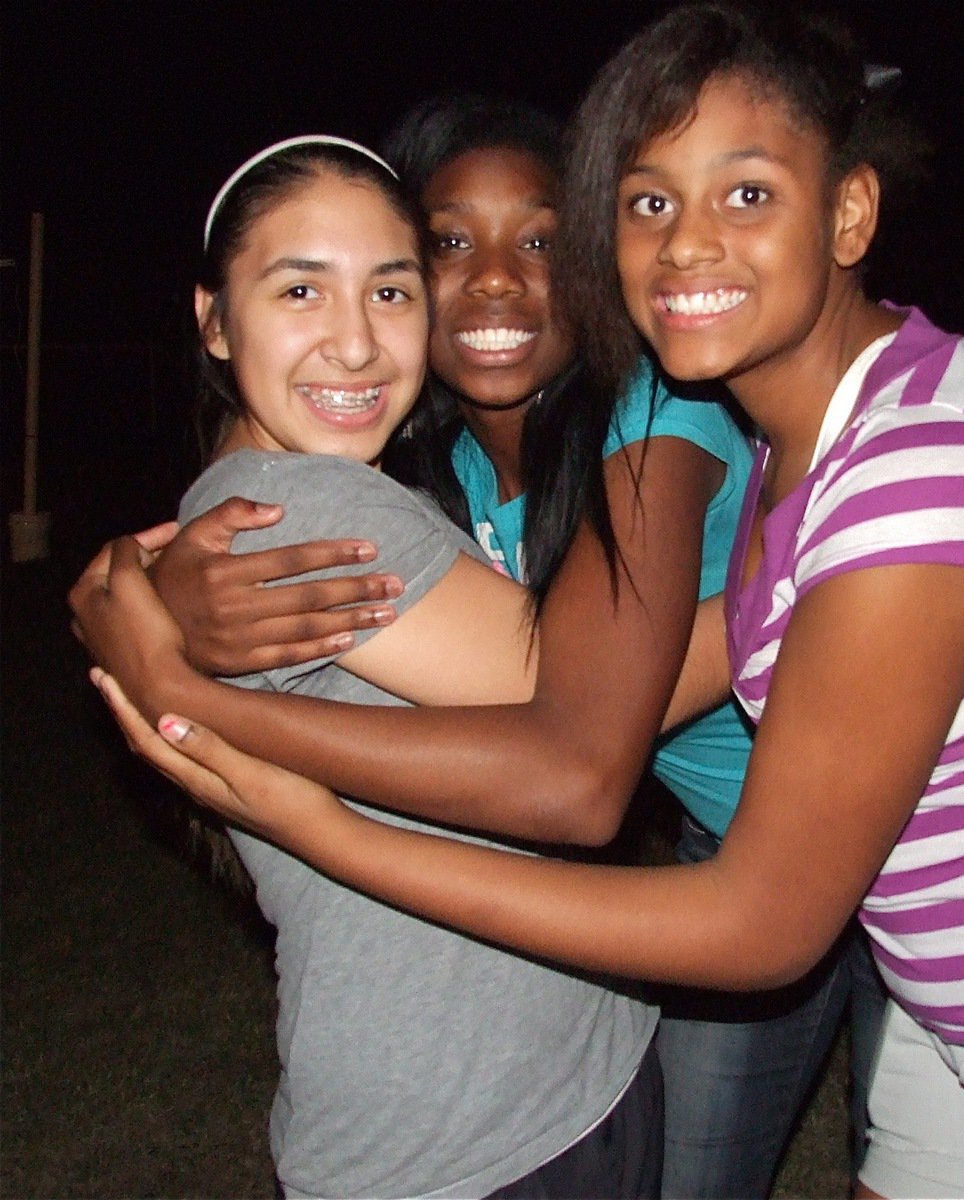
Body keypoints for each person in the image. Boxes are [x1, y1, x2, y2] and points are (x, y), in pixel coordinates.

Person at [73, 6, 964, 1198]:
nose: (687, 245)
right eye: (647, 203)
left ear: (849, 213)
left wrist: (215, 723)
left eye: (746, 194)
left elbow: (681, 852)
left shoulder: (896, 470)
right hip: (956, 1003)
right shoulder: (801, 425)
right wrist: (161, 582)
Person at [101, 94, 886, 1195]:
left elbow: (577, 747)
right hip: (722, 858)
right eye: (448, 246)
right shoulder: (427, 471)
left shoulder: (646, 413)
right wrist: (152, 591)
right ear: (215, 321)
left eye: (541, 241)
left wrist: (173, 672)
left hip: (897, 815)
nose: (356, 338)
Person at [118, 133, 666, 1200]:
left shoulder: (285, 497)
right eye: (300, 291)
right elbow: (586, 707)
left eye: (390, 292)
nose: (357, 344)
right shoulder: (303, 509)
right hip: (466, 1129)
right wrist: (800, 584)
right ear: (214, 321)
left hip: (533, 1076)